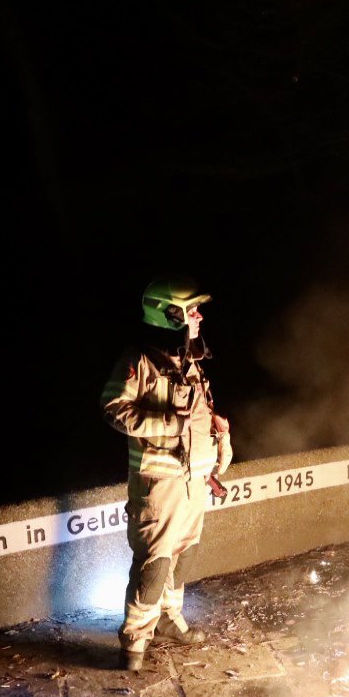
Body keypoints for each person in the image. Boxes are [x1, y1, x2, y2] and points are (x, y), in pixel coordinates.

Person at [101, 276, 233, 672]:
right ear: (169, 314)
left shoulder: (191, 361)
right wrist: (165, 424)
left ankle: (168, 621)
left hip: (195, 480)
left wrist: (221, 440)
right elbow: (113, 408)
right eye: (191, 310)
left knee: (184, 552)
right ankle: (135, 639)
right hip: (159, 483)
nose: (199, 316)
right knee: (154, 561)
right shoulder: (138, 360)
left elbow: (200, 415)